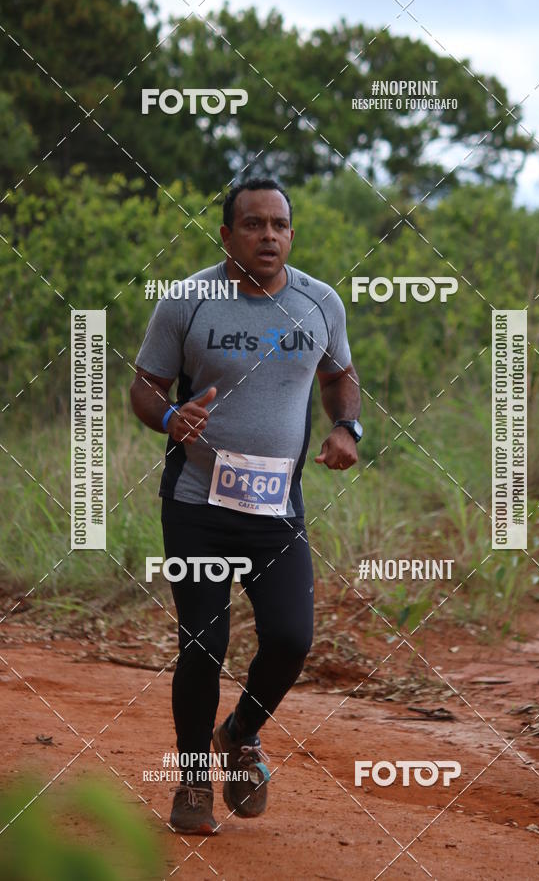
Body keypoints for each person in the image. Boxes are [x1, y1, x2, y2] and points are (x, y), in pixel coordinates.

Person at [130, 178, 363, 834]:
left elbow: (340, 375)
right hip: (196, 507)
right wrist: (170, 417)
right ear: (227, 235)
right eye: (254, 224)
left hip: (276, 510)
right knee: (203, 644)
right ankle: (193, 782)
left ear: (291, 234)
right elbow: (144, 386)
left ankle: (238, 733)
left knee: (291, 639)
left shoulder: (319, 302)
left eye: (279, 225)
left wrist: (346, 427)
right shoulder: (187, 301)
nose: (269, 236)